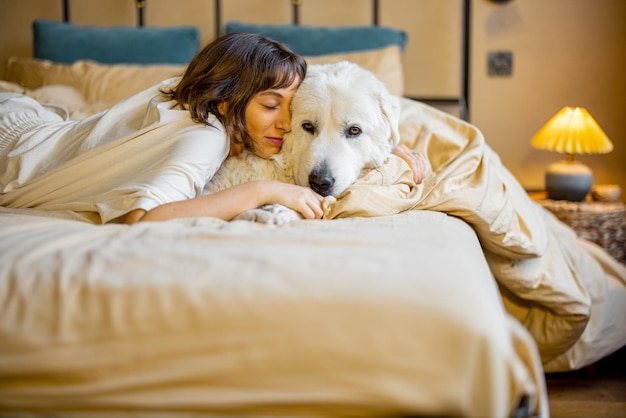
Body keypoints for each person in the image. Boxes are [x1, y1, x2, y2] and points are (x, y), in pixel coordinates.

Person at [0, 32, 426, 225]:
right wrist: (266, 191)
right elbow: (144, 218)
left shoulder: (189, 93)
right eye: (270, 105)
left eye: (290, 109)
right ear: (226, 102)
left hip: (37, 123)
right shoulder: (205, 135)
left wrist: (386, 148)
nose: (285, 123)